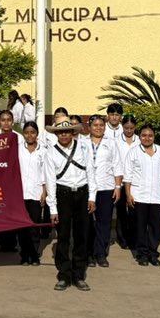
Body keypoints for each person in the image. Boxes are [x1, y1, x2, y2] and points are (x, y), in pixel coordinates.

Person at [45, 119, 96, 291]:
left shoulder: (83, 147)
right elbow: (50, 181)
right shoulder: (50, 153)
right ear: (56, 134)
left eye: (67, 131)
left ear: (73, 132)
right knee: (64, 237)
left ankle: (79, 275)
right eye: (60, 132)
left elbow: (91, 171)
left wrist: (92, 197)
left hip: (82, 194)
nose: (64, 134)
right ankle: (64, 275)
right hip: (63, 195)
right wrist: (52, 208)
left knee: (82, 236)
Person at [124, 124, 160, 266]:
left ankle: (153, 253)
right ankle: (142, 254)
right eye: (144, 135)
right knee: (140, 226)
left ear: (154, 137)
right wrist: (128, 194)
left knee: (155, 227)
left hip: (158, 195)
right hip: (139, 195)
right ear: (139, 137)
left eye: (150, 135)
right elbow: (128, 175)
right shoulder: (133, 152)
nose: (147, 138)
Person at [86, 114, 122, 268]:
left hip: (106, 187)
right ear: (89, 127)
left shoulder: (111, 143)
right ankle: (88, 254)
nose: (99, 128)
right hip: (87, 188)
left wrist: (118, 187)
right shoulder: (81, 143)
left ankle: (100, 254)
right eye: (95, 125)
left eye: (101, 125)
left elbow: (117, 165)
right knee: (87, 223)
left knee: (104, 222)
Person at [16, 122, 48, 265]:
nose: (30, 135)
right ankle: (24, 255)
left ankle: (34, 255)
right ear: (23, 134)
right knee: (22, 227)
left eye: (32, 132)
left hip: (36, 193)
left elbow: (46, 173)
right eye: (27, 132)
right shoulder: (17, 149)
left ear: (37, 134)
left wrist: (45, 191)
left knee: (34, 225)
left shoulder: (43, 151)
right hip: (20, 193)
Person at [0, 110, 26, 253]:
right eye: (3, 120)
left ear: (12, 121)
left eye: (9, 120)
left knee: (13, 211)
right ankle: (3, 243)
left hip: (14, 179)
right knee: (1, 212)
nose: (6, 122)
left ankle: (13, 242)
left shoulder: (19, 138)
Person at [113, 114, 139, 251]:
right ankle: (122, 238)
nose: (129, 131)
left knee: (134, 212)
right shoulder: (116, 141)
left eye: (131, 128)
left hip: (136, 183)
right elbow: (115, 161)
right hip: (121, 182)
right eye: (126, 128)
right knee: (122, 212)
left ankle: (133, 238)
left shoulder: (140, 141)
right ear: (122, 127)